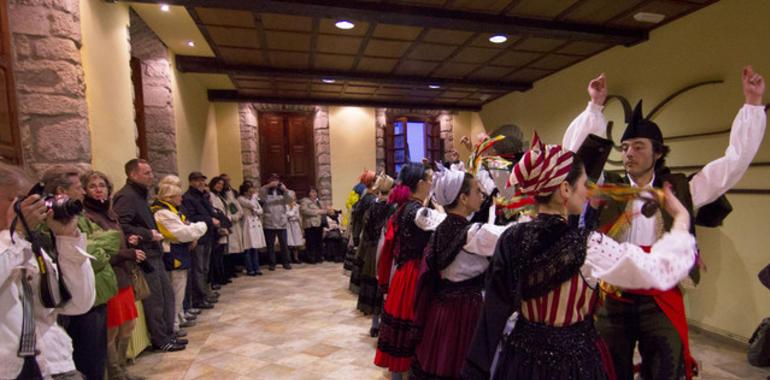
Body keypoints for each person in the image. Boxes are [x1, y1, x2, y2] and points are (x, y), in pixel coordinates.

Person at [562, 67, 766, 380]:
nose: (629, 153)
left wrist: (752, 105)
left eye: (638, 146)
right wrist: (594, 106)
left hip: (661, 299)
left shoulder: (681, 188)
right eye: (626, 147)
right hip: (611, 298)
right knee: (606, 369)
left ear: (657, 152)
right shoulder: (606, 186)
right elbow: (573, 160)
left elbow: (732, 164)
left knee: (666, 369)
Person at [463, 138, 698, 380]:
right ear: (565, 189)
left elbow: (492, 314)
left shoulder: (510, 238)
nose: (589, 190)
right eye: (584, 183)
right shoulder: (590, 245)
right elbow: (657, 269)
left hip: (521, 359)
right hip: (572, 363)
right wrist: (681, 218)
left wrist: (475, 370)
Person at [0, 162, 95, 379]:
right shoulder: (13, 243)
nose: (30, 207)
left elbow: (77, 303)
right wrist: (14, 235)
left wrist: (67, 240)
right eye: (19, 199)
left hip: (54, 363)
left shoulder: (25, 245)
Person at [38, 167, 118, 380]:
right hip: (76, 302)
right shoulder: (48, 221)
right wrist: (94, 249)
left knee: (98, 359)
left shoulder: (78, 214)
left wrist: (94, 248)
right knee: (87, 361)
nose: (84, 192)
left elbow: (113, 239)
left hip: (97, 292)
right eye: (79, 188)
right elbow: (89, 253)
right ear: (60, 191)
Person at [411, 167, 489, 379]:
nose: (481, 194)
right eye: (477, 190)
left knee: (441, 360)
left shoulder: (441, 228)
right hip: (466, 312)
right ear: (463, 198)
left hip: (441, 311)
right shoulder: (474, 234)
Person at [113, 159, 185, 352]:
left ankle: (168, 333)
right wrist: (147, 234)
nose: (151, 176)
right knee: (156, 299)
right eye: (146, 173)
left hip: (154, 252)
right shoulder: (126, 197)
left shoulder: (139, 195)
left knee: (167, 294)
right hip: (146, 255)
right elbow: (122, 225)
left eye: (151, 172)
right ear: (133, 175)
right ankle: (161, 339)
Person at [81, 170, 146, 380]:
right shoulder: (87, 216)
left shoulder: (109, 213)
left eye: (102, 185)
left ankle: (122, 369)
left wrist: (129, 239)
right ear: (85, 190)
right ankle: (115, 373)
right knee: (111, 330)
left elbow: (114, 240)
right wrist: (126, 253)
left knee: (128, 326)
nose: (99, 189)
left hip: (123, 274)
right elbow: (95, 252)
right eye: (93, 186)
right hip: (107, 277)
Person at [374, 163, 434, 379]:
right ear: (420, 184)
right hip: (415, 273)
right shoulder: (419, 212)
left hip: (403, 273)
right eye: (429, 179)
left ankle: (399, 373)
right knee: (412, 325)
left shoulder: (403, 209)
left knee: (401, 328)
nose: (431, 183)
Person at [152, 182, 207, 336]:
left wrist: (193, 230)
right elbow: (182, 233)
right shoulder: (162, 213)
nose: (181, 199)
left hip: (180, 253)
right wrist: (201, 226)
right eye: (178, 195)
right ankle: (173, 324)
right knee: (175, 291)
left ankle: (179, 317)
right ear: (169, 197)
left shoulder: (172, 211)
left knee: (180, 290)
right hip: (173, 255)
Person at [355, 174, 395, 335]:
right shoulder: (392, 207)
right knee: (383, 286)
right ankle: (381, 324)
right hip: (384, 249)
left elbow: (367, 228)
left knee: (374, 285)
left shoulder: (373, 206)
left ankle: (375, 323)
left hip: (372, 250)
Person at [182, 172, 220, 310]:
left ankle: (205, 292)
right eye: (197, 181)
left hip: (208, 234)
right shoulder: (188, 197)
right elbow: (191, 216)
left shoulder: (203, 196)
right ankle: (199, 298)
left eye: (202, 180)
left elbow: (210, 211)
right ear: (191, 182)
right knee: (198, 268)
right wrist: (210, 220)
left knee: (205, 268)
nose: (201, 183)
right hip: (199, 237)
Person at [348, 170, 378, 293]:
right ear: (373, 182)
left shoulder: (366, 196)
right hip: (366, 233)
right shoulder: (371, 199)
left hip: (362, 232)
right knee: (365, 260)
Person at [260, 174, 292, 270]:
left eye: (276, 180)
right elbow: (260, 197)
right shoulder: (265, 190)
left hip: (281, 222)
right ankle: (272, 263)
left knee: (284, 245)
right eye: (272, 180)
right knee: (270, 245)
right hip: (269, 222)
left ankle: (286, 262)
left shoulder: (282, 191)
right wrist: (267, 186)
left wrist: (285, 190)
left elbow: (289, 200)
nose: (275, 182)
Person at [208, 176, 232, 285]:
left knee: (221, 254)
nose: (220, 186)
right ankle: (216, 279)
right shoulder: (210, 196)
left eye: (222, 185)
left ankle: (222, 275)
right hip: (217, 228)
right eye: (218, 184)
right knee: (216, 255)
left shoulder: (221, 197)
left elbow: (228, 209)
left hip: (225, 225)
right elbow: (214, 212)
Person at [238, 181, 265, 276]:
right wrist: (254, 199)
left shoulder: (253, 199)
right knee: (248, 248)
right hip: (247, 224)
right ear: (245, 192)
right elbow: (251, 205)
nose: (251, 193)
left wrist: (256, 210)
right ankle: (250, 269)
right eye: (249, 191)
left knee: (255, 248)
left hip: (255, 223)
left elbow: (260, 210)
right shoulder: (241, 199)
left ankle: (257, 268)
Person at [221, 174, 245, 279]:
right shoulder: (220, 195)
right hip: (227, 223)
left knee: (235, 248)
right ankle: (228, 270)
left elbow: (236, 208)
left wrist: (237, 215)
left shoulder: (233, 192)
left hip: (235, 222)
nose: (227, 182)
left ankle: (234, 267)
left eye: (228, 180)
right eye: (225, 180)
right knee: (228, 249)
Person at [300, 188, 332, 264]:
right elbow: (304, 211)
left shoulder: (318, 202)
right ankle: (311, 258)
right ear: (309, 193)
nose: (314, 194)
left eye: (315, 192)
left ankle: (318, 257)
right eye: (312, 192)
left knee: (318, 241)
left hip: (319, 224)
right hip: (310, 224)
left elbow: (322, 211)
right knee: (311, 242)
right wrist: (317, 212)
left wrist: (326, 210)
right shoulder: (305, 201)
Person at [285, 191, 304, 264]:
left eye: (294, 196)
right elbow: (287, 215)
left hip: (296, 224)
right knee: (289, 242)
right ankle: (288, 258)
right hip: (288, 225)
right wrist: (292, 212)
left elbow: (297, 216)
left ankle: (296, 257)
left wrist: (292, 215)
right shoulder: (285, 206)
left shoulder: (297, 206)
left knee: (296, 242)